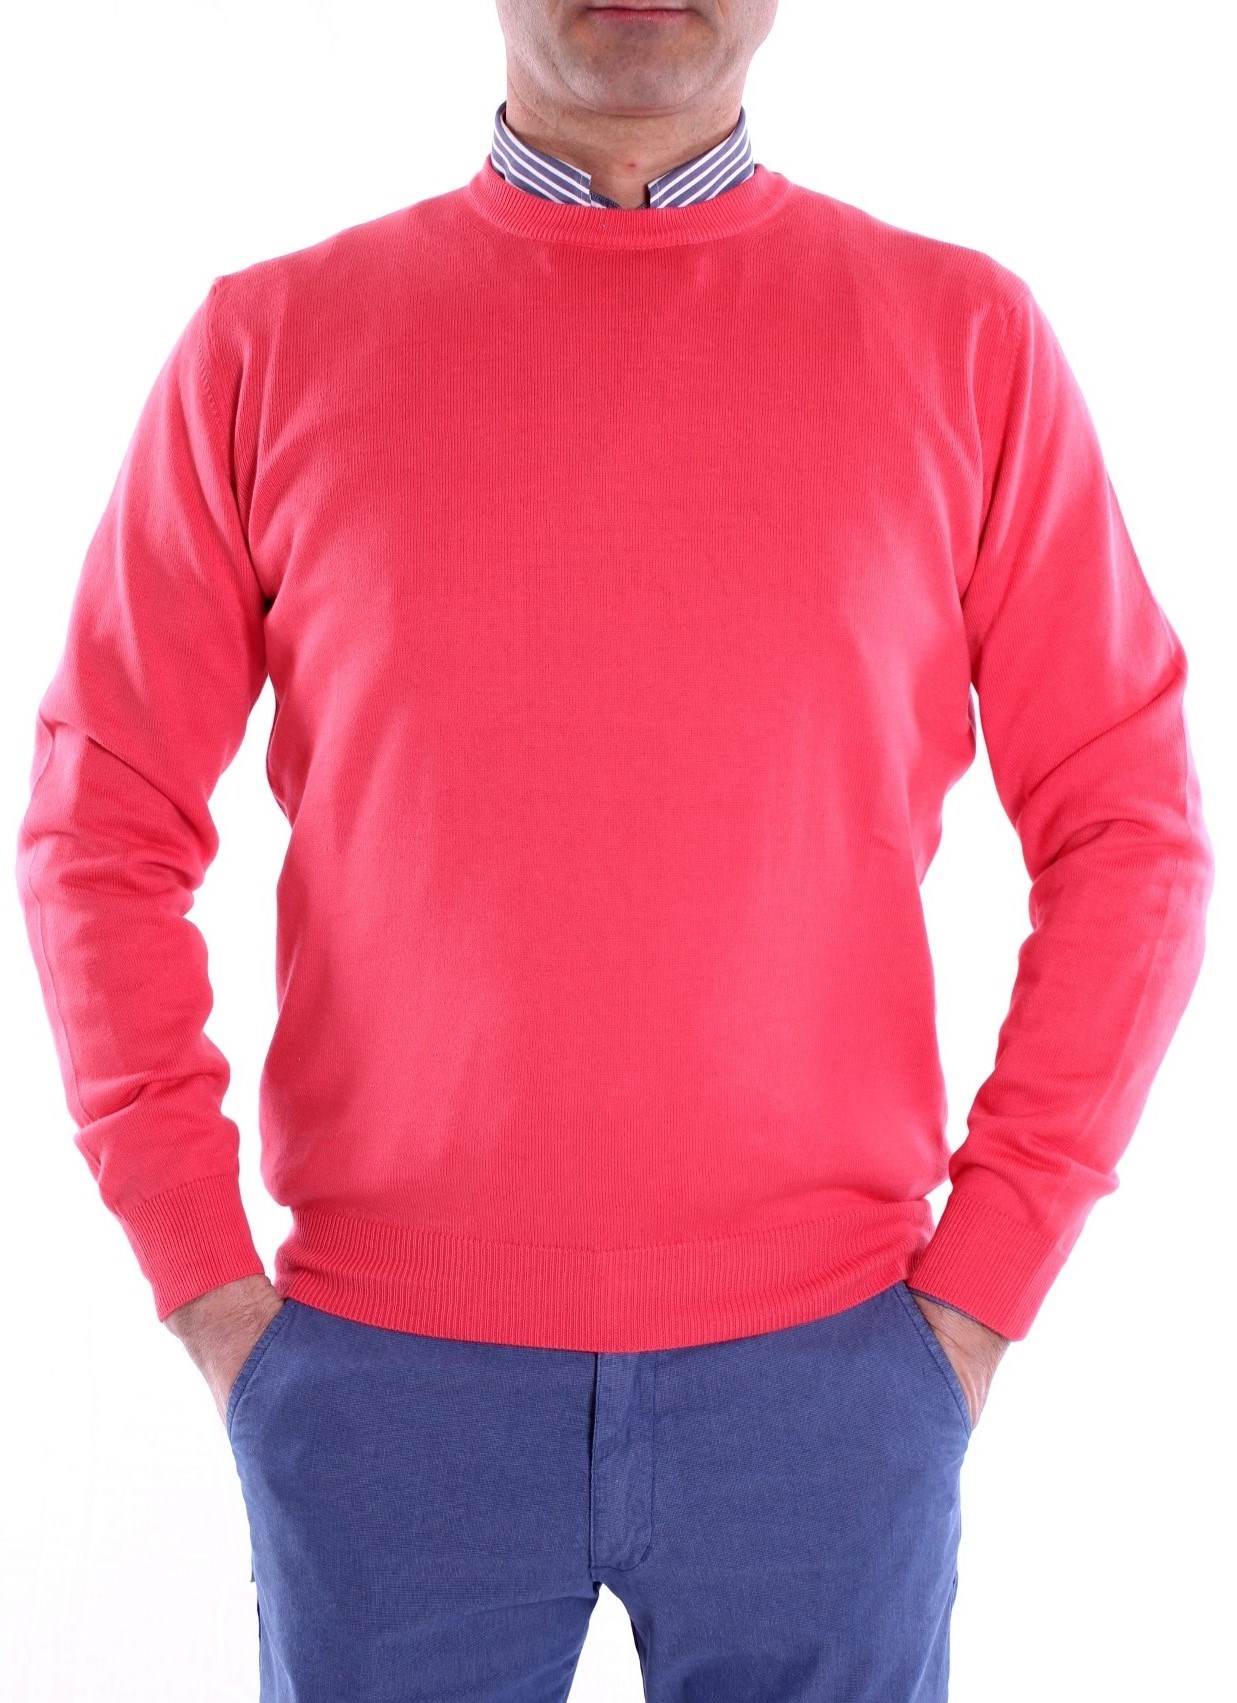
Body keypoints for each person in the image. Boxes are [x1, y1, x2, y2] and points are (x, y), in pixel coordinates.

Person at [14, 2, 1214, 1698]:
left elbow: (1131, 828)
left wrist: (985, 1285)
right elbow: (101, 822)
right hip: (386, 1380)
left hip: (830, 1376)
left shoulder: (965, 340)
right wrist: (205, 1280)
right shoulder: (266, 343)